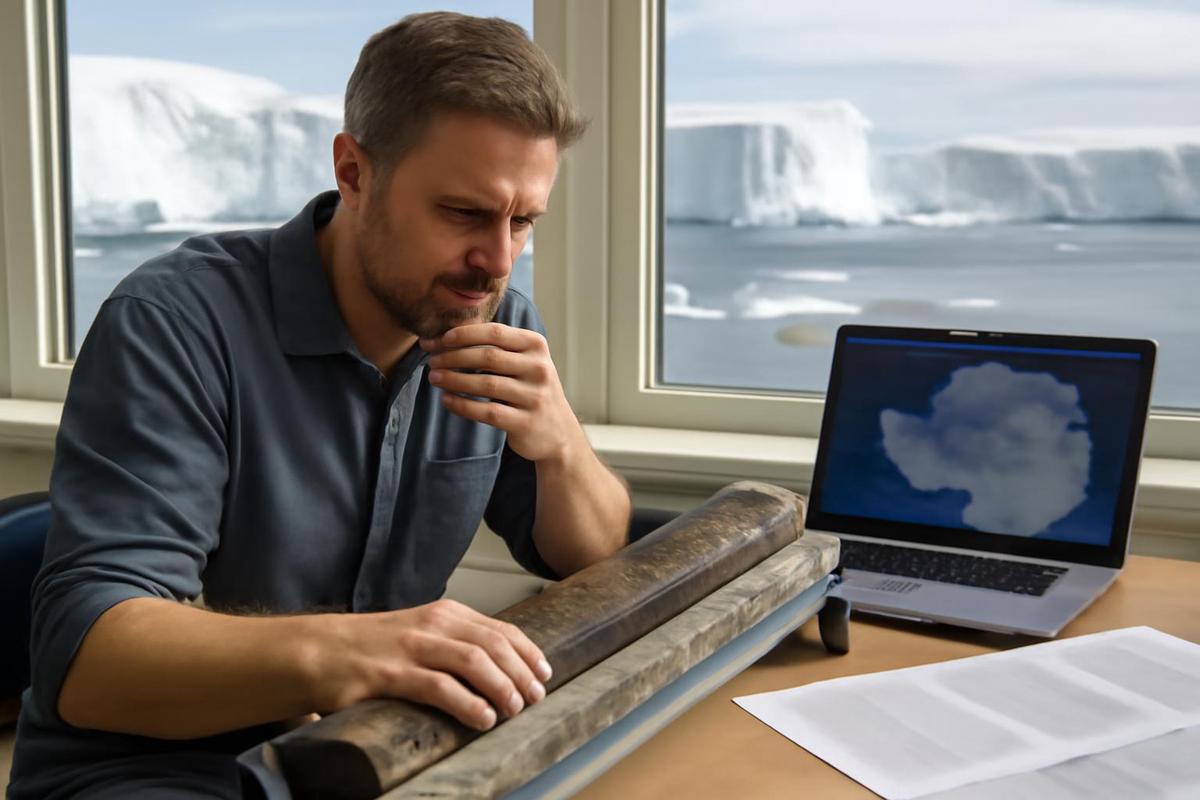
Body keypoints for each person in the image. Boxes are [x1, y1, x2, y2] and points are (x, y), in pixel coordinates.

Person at [8, 12, 631, 799]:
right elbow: (92, 664)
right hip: (154, 770)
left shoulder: (491, 320)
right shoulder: (174, 323)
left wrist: (564, 447)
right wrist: (355, 652)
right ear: (354, 171)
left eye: (523, 222)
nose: (497, 261)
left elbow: (591, 559)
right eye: (464, 214)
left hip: (376, 754)